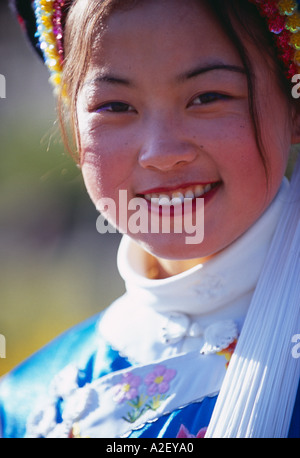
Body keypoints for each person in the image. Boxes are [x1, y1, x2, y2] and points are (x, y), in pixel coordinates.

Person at [0, 0, 299, 438]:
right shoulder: (29, 403)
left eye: (208, 97)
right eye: (115, 106)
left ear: (294, 105)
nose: (161, 153)